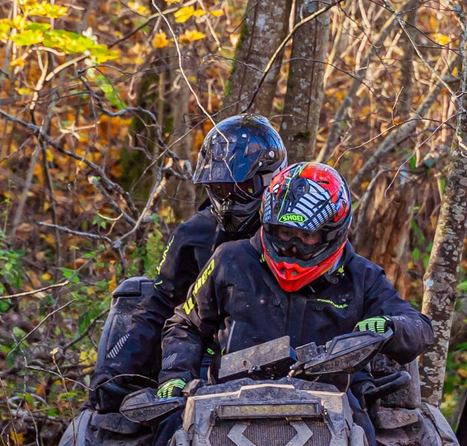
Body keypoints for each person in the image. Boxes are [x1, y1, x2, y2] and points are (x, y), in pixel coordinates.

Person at [156, 162, 435, 400]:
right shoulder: (231, 259)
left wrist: (390, 326)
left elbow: (420, 328)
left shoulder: (361, 276)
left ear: (332, 232)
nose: (293, 248)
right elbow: (186, 324)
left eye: (306, 237)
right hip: (228, 399)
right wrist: (175, 376)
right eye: (285, 233)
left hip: (331, 406)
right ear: (268, 224)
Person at [93, 114, 285, 409]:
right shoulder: (195, 234)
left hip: (286, 364)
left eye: (242, 187)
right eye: (222, 189)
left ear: (271, 178)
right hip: (202, 369)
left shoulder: (297, 234)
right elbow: (158, 306)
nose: (231, 199)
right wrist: (115, 370)